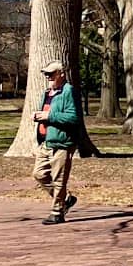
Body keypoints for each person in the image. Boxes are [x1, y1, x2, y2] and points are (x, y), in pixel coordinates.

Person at [33, 59, 84, 224]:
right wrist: (38, 116)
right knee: (39, 174)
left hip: (62, 143)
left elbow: (74, 118)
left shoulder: (69, 91)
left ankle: (57, 213)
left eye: (51, 74)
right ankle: (66, 199)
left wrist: (49, 116)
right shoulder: (47, 93)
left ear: (61, 74)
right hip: (46, 142)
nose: (48, 77)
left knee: (59, 180)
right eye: (46, 74)